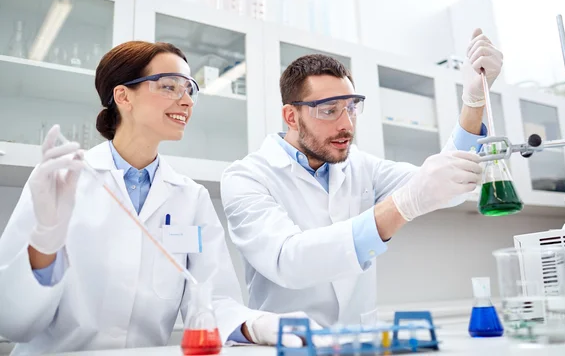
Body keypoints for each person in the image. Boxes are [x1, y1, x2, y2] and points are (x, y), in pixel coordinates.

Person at [0, 41, 320, 355]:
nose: (187, 101)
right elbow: (12, 322)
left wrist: (259, 325)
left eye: (190, 90)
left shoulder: (190, 198)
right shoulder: (60, 179)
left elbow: (210, 301)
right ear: (123, 96)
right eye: (169, 86)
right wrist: (44, 244)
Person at [220, 29, 503, 327]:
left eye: (351, 108)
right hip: (289, 345)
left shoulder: (361, 166)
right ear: (291, 117)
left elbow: (445, 184)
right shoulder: (246, 177)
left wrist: (473, 103)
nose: (346, 124)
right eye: (329, 111)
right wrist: (401, 206)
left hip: (359, 341)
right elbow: (288, 261)